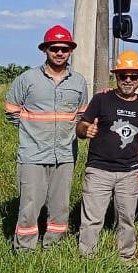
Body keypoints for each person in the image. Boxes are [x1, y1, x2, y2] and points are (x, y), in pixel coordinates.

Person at [4, 25, 88, 252]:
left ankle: (54, 247)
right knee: (29, 206)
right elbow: (11, 112)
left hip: (65, 154)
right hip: (32, 154)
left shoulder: (79, 82)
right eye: (54, 48)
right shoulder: (27, 79)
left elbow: (81, 116)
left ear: (70, 51)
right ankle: (24, 250)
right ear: (45, 50)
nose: (59, 53)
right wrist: (31, 132)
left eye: (64, 49)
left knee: (60, 206)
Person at [76, 50, 138, 260]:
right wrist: (85, 130)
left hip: (129, 173)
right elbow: (82, 125)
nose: (128, 80)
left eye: (133, 76)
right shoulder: (101, 99)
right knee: (92, 220)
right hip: (98, 171)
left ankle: (125, 259)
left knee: (126, 220)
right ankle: (87, 260)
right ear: (116, 76)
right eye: (123, 76)